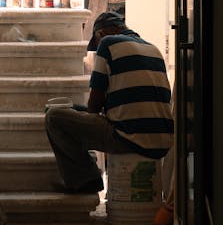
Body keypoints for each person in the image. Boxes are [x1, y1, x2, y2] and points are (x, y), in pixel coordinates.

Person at [45, 11, 174, 193]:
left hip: (129, 137)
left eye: (96, 43)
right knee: (73, 111)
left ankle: (85, 180)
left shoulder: (108, 43)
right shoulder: (153, 49)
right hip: (162, 138)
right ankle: (86, 173)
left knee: (54, 116)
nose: (97, 49)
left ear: (102, 34)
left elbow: (94, 106)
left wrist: (82, 127)